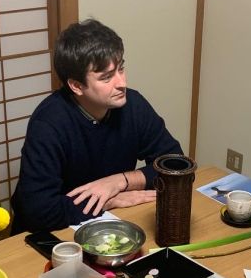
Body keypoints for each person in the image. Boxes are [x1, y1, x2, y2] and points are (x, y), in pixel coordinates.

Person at [12, 19, 183, 233]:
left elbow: (178, 165)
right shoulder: (49, 123)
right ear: (76, 86)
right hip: (52, 234)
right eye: (107, 77)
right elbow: (38, 212)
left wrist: (120, 181)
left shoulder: (133, 105)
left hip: (111, 225)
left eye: (121, 69)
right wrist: (108, 201)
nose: (122, 83)